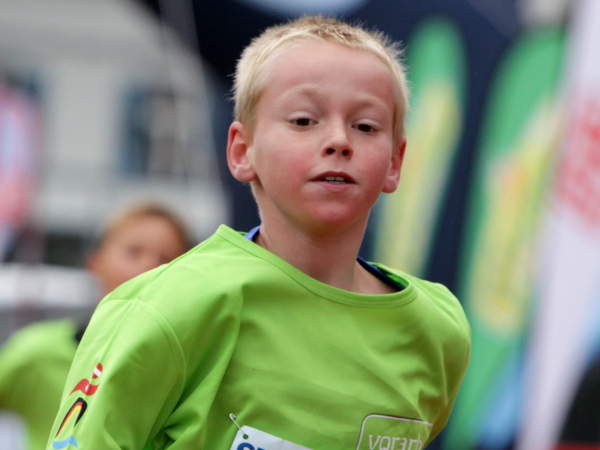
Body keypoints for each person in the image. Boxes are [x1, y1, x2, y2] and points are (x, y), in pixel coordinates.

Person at [47, 16, 471, 450]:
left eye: (365, 126)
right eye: (304, 120)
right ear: (241, 150)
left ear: (395, 161)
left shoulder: (438, 330)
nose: (339, 140)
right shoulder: (167, 305)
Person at [0, 202, 191, 450]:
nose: (150, 266)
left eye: (167, 259)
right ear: (96, 262)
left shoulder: (186, 371)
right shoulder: (38, 353)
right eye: (134, 251)